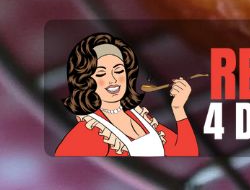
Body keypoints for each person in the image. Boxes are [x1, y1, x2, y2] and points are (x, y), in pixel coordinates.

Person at [53, 31, 198, 157]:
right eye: (101, 73)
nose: (113, 79)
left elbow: (186, 152)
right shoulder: (88, 132)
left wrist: (178, 109)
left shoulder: (139, 118)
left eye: (118, 70)